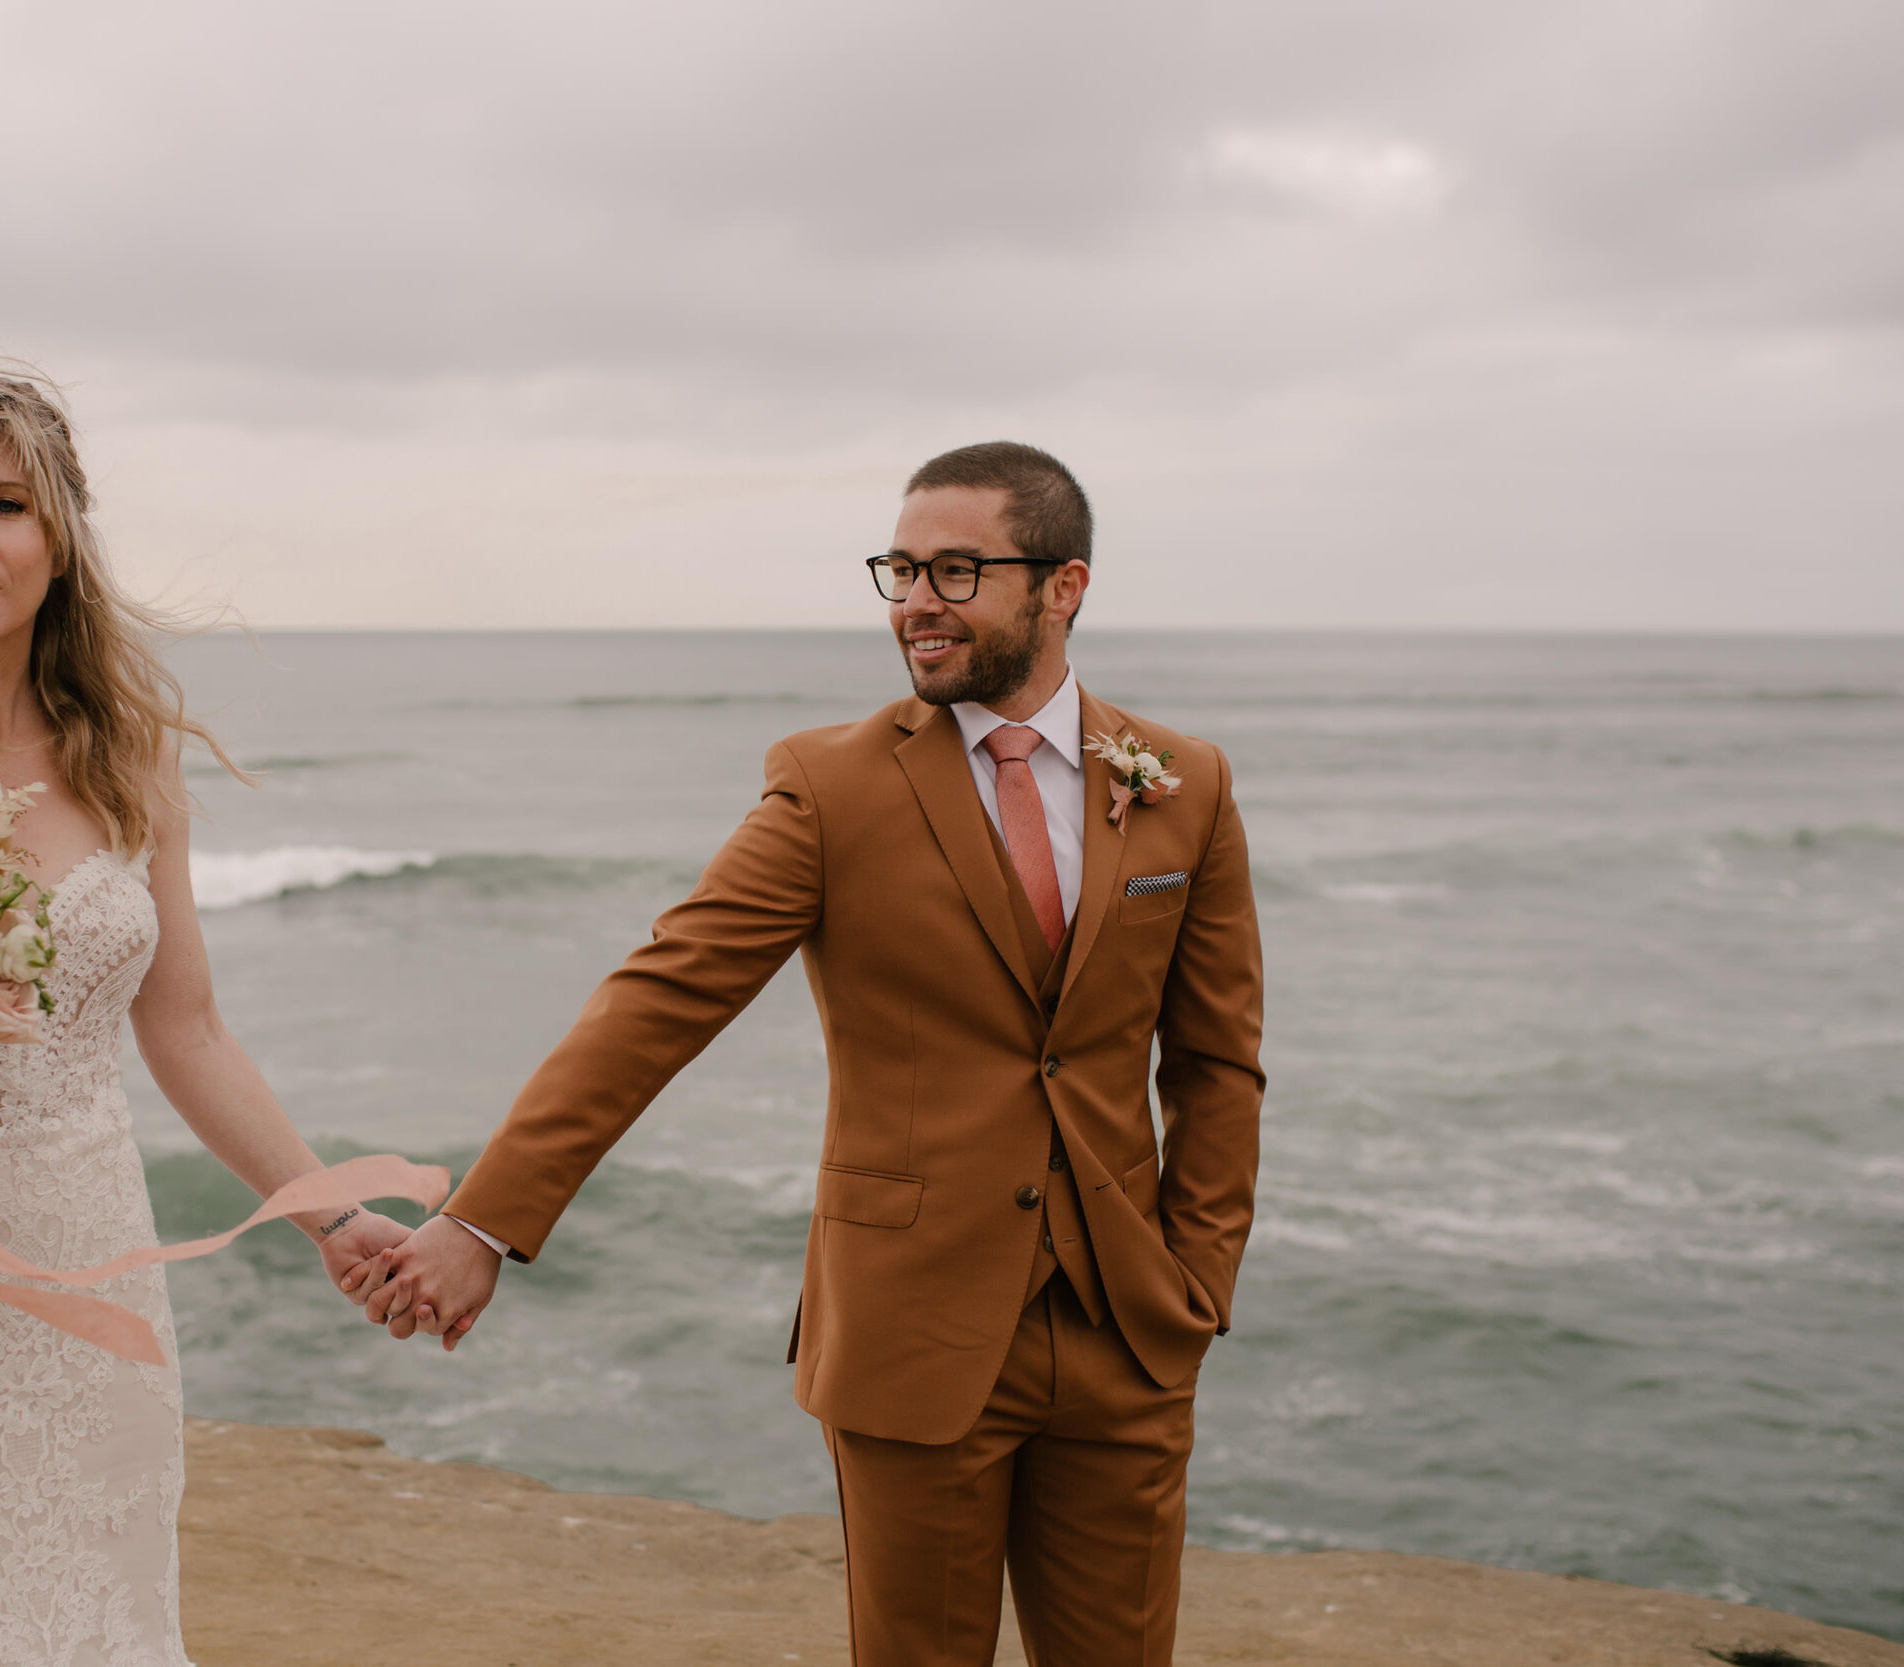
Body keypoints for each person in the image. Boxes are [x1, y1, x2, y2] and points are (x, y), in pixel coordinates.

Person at [362, 442, 1264, 1665]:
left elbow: (1215, 1061)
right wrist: (482, 1221)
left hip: (1126, 1325)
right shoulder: (832, 786)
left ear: (1063, 587)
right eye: (899, 568)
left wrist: (1195, 1280)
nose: (914, 602)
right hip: (916, 1335)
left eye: (956, 569)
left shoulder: (1180, 784)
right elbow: (660, 999)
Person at [0, 360, 410, 1666]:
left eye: (4, 503)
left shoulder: (129, 755)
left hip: (93, 1279)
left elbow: (189, 1031)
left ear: (60, 535)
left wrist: (328, 1214)